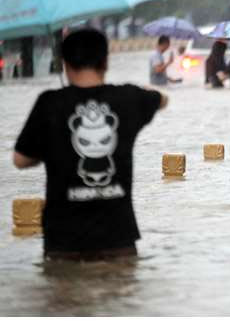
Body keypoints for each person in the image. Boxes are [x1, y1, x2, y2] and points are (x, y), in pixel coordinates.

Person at [12, 28, 168, 261]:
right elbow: (163, 100)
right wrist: (147, 91)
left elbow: (20, 160)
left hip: (63, 243)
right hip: (118, 241)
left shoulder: (49, 103)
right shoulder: (128, 98)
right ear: (106, 61)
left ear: (64, 63)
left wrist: (54, 147)